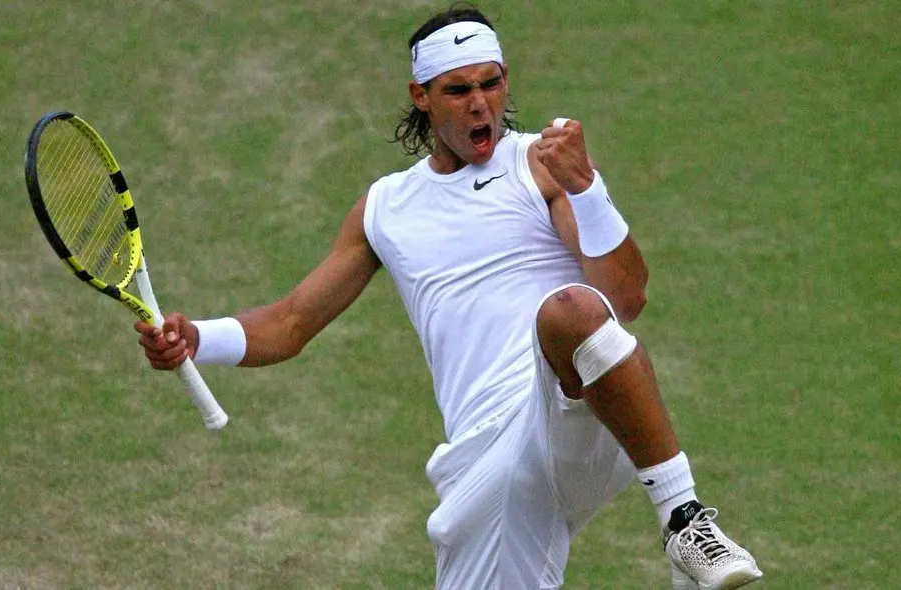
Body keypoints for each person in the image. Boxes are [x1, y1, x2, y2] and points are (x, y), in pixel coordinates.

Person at [135, 6, 763, 589]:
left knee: (570, 311)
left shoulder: (539, 167)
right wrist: (197, 339)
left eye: (491, 84)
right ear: (422, 96)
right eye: (458, 90)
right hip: (485, 463)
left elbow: (623, 300)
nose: (480, 104)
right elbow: (291, 321)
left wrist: (586, 186)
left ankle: (684, 520)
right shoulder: (385, 208)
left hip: (571, 408)